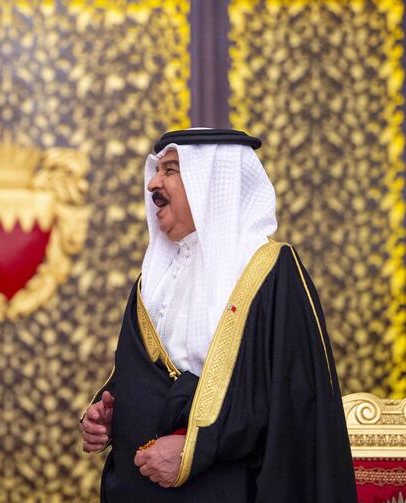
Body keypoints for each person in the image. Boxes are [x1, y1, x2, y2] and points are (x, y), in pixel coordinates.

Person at [81, 129, 357, 502]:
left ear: (211, 182)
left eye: (171, 170)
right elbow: (139, 372)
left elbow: (289, 403)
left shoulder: (272, 272)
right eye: (156, 170)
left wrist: (195, 445)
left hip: (231, 487)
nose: (153, 184)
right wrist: (108, 413)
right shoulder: (154, 278)